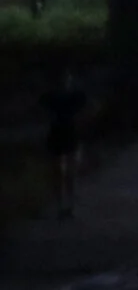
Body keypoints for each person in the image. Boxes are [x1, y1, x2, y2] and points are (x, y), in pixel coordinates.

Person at [41, 71, 85, 219]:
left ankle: (71, 205)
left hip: (71, 135)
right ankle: (61, 205)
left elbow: (90, 108)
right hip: (57, 135)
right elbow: (39, 112)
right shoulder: (50, 97)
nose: (64, 83)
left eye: (66, 79)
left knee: (70, 173)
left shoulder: (76, 97)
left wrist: (81, 120)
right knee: (59, 172)